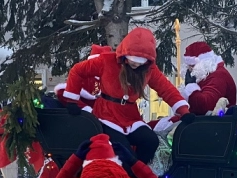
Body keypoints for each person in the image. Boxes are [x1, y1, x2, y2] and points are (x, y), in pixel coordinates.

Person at [63, 28, 191, 164]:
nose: (135, 64)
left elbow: (166, 89)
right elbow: (77, 71)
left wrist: (183, 111)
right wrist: (72, 100)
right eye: (132, 60)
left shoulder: (149, 70)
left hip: (130, 116)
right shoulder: (106, 61)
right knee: (122, 149)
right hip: (106, 114)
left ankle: (138, 174)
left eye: (140, 62)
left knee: (150, 141)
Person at [180, 41, 237, 115]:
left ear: (204, 62)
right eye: (188, 66)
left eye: (193, 66)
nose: (190, 70)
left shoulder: (218, 76)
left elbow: (206, 106)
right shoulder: (205, 76)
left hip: (213, 124)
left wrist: (191, 87)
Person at [54, 45, 113, 109]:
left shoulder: (111, 77)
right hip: (86, 111)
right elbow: (63, 92)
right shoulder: (83, 76)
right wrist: (84, 108)